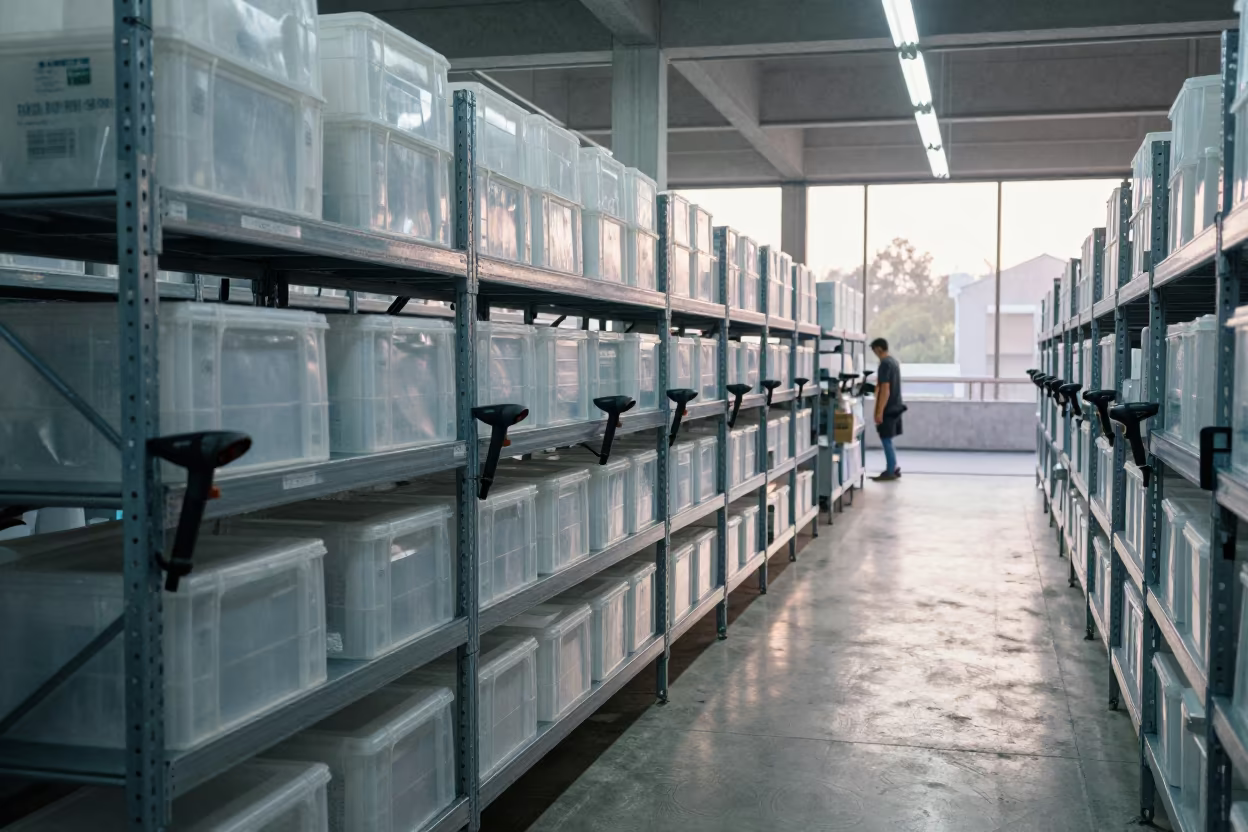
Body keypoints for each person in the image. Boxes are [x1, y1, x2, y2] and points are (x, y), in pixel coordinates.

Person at [870, 337, 905, 481]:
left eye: (874, 351)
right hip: (896, 405)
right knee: (888, 438)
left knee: (885, 439)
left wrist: (879, 411)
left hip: (888, 408)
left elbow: (885, 390)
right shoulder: (894, 362)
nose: (875, 354)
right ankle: (894, 467)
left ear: (878, 348)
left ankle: (891, 469)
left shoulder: (884, 364)